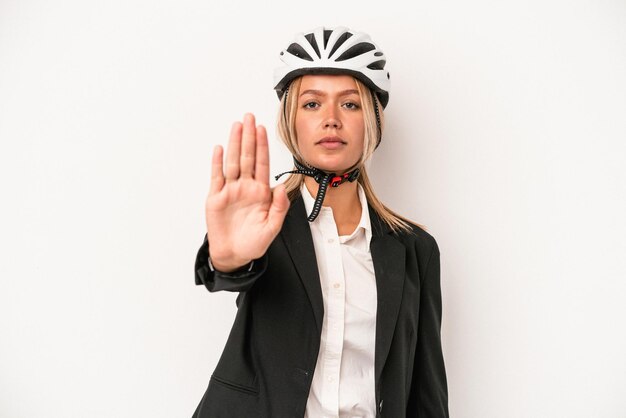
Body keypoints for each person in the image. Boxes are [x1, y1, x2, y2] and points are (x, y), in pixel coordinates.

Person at [192, 26, 449, 418]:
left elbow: (425, 392)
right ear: (291, 120)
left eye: (350, 104)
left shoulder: (415, 250)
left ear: (373, 121)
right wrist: (226, 260)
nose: (331, 119)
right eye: (312, 104)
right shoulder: (265, 224)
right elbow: (231, 271)